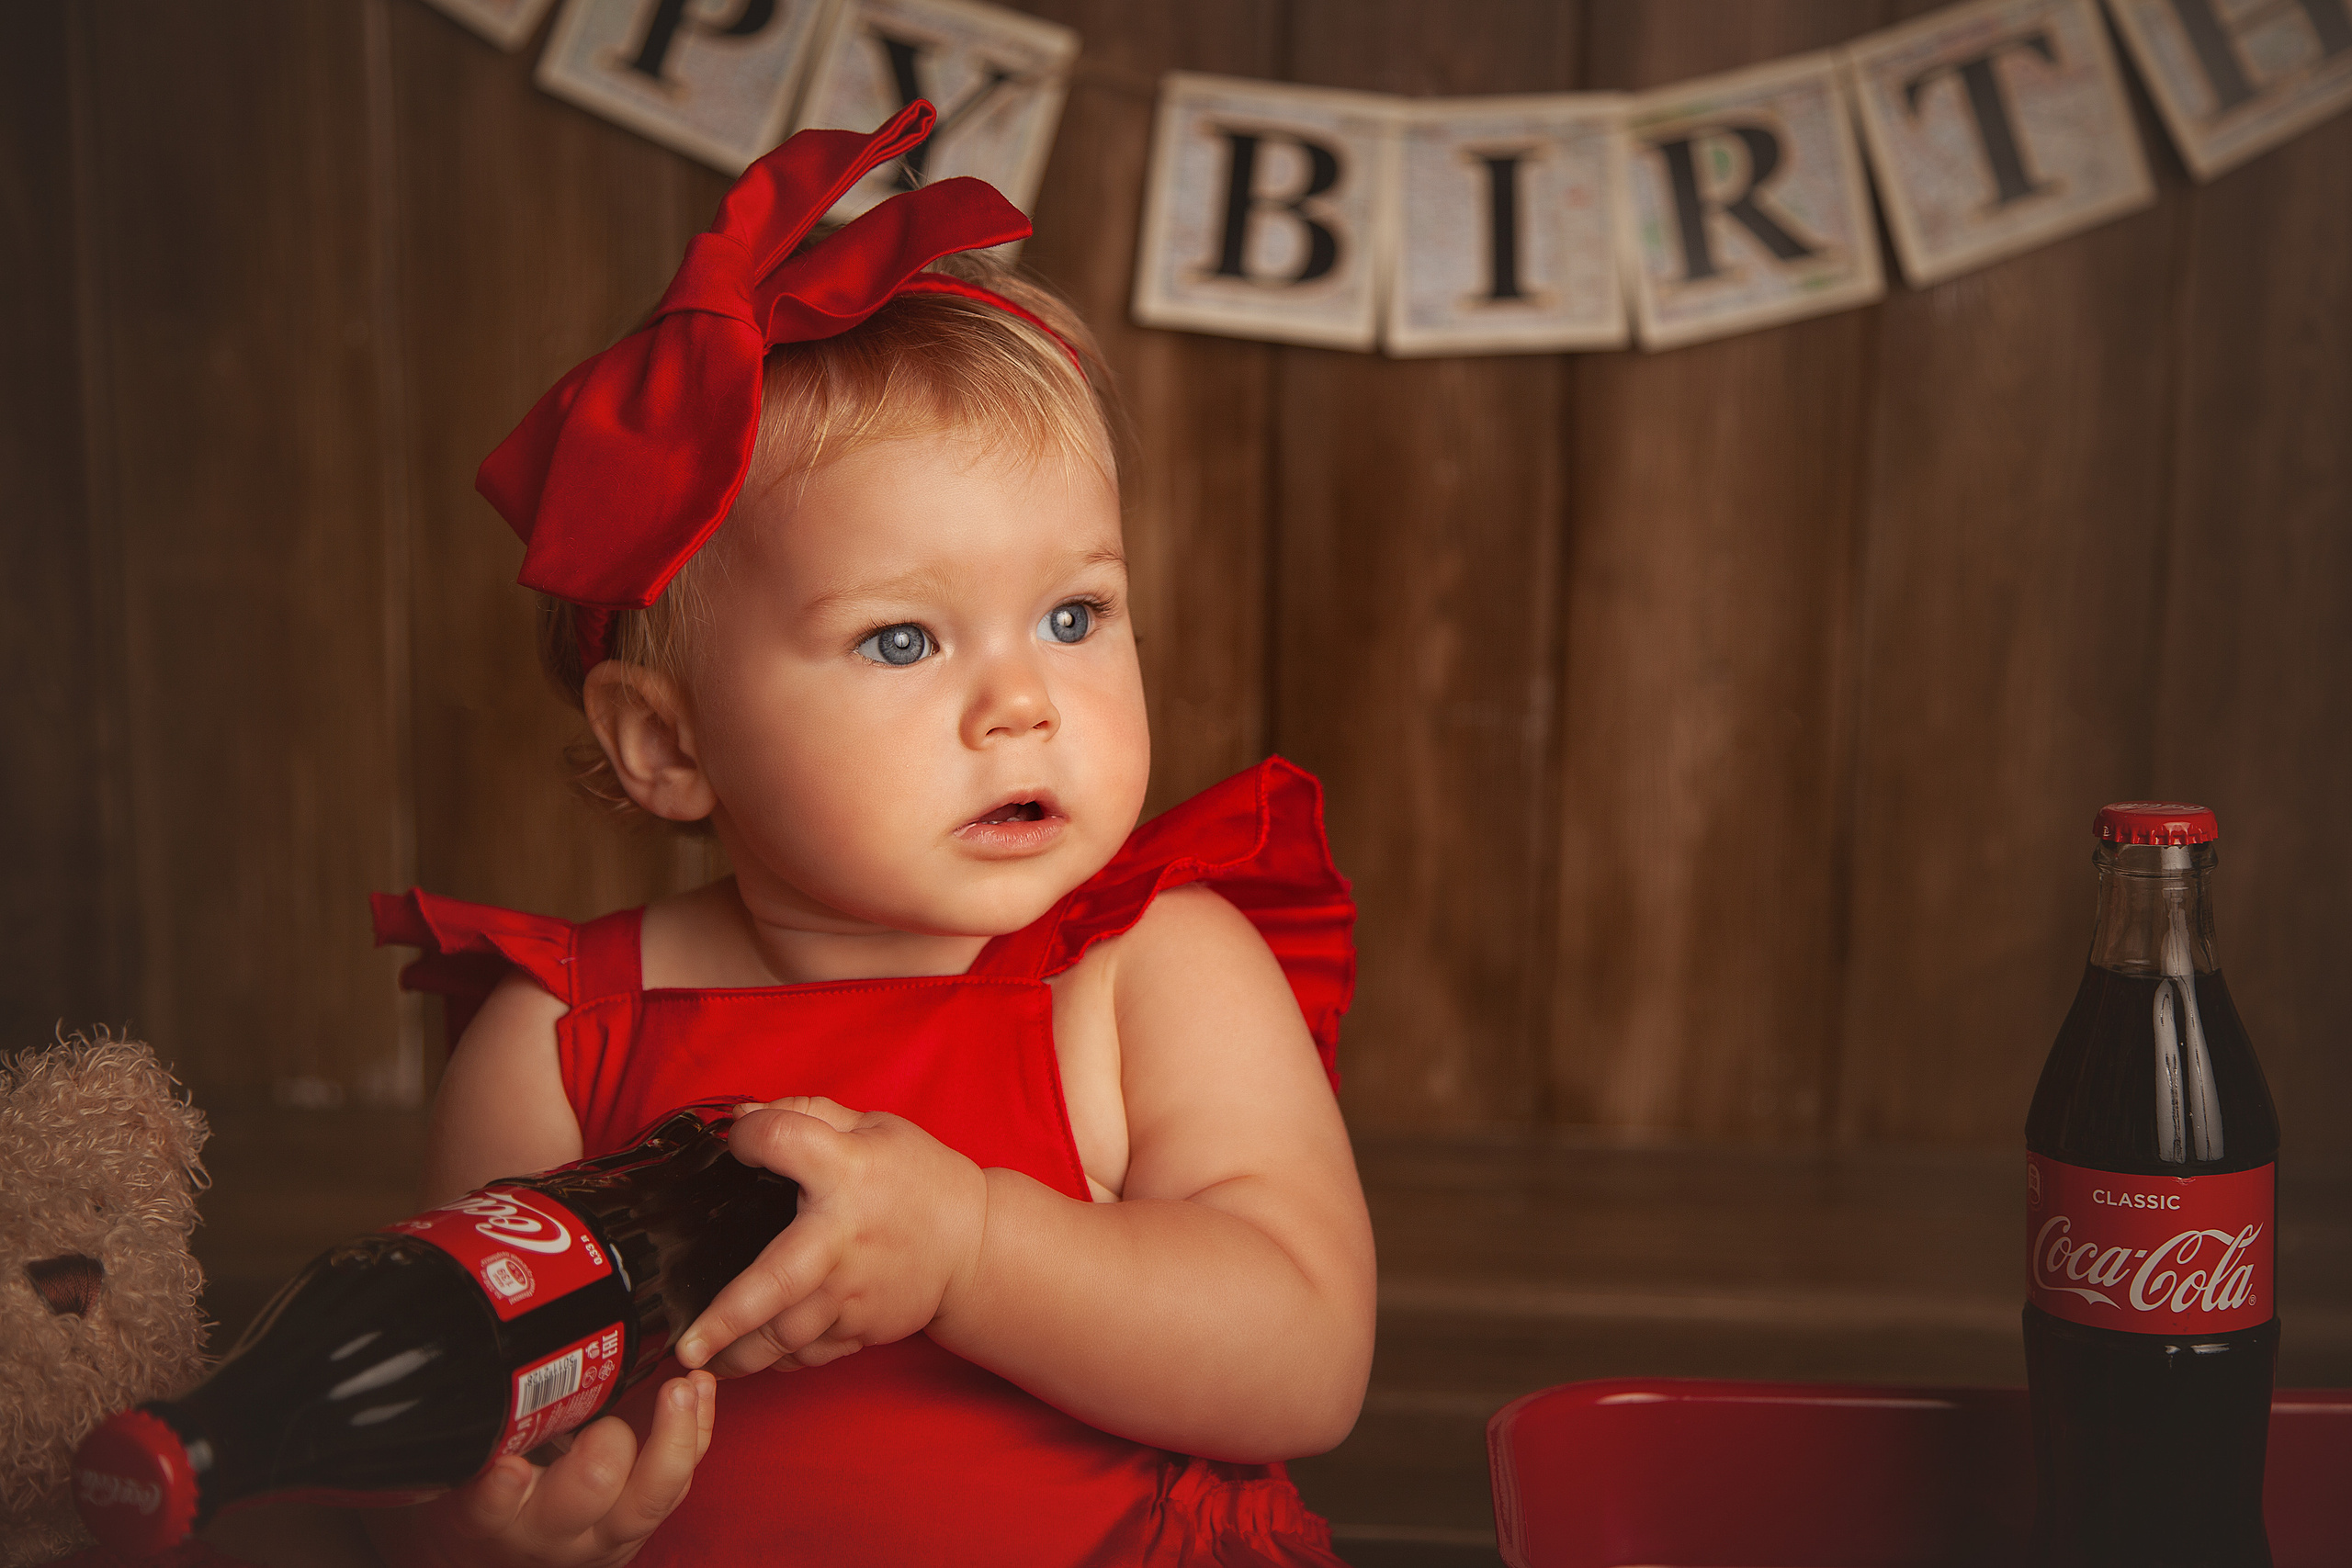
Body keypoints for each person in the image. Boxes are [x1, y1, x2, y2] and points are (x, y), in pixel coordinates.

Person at [363, 101, 1374, 1568]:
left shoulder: (1156, 973)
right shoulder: (560, 1042)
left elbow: (1304, 1356)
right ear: (669, 743)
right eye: (903, 641)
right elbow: (456, 1408)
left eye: (1074, 615)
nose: (1023, 701)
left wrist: (973, 1249)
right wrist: (486, 1526)